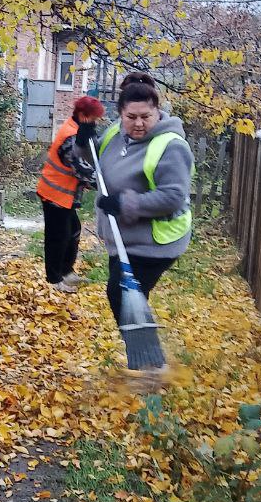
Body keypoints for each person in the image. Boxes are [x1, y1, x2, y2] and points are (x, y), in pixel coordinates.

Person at [92, 73, 194, 324]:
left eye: (146, 117)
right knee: (122, 298)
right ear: (120, 114)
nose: (138, 123)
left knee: (121, 295)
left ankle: (144, 355)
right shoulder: (116, 135)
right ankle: (141, 353)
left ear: (157, 112)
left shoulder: (171, 146)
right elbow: (95, 159)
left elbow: (172, 196)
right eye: (131, 117)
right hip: (122, 239)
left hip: (155, 243)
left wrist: (125, 204)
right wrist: (84, 140)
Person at [36, 96, 105, 292]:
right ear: (83, 116)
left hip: (64, 196)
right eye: (93, 117)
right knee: (58, 237)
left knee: (73, 230)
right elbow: (80, 168)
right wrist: (102, 182)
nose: (96, 121)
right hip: (54, 194)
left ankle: (66, 271)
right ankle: (55, 279)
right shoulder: (70, 136)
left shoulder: (78, 130)